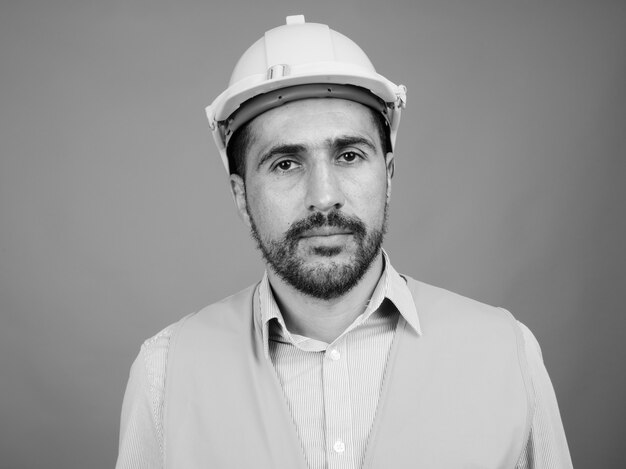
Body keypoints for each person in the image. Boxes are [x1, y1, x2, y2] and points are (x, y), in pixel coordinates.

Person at [116, 15, 573, 469]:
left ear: (388, 175)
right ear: (241, 195)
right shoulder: (165, 373)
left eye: (349, 155)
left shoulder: (506, 352)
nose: (324, 197)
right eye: (285, 163)